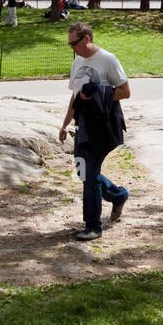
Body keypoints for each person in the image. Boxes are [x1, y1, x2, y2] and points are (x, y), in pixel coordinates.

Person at [59, 22, 130, 241]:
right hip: (83, 125)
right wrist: (65, 124)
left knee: (89, 173)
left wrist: (98, 92)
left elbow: (125, 92)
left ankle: (93, 226)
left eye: (75, 43)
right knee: (83, 171)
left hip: (104, 126)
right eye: (69, 43)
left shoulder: (108, 59)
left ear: (87, 38)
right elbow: (75, 95)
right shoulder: (77, 61)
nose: (72, 48)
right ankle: (118, 195)